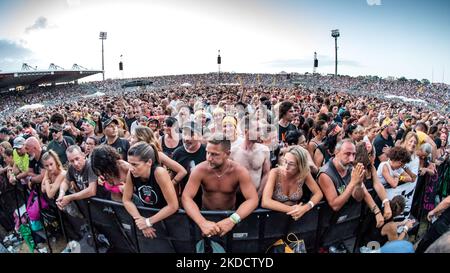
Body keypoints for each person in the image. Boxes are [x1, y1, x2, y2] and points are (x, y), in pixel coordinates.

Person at [182, 133, 258, 237]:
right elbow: (186, 197)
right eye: (208, 153)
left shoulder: (239, 171)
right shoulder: (200, 170)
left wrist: (232, 220)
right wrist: (202, 222)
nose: (209, 158)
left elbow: (252, 199)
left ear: (227, 154)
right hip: (206, 216)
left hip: (231, 215)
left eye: (214, 154)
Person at [318, 139, 384, 228]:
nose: (352, 159)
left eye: (353, 154)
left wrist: (359, 184)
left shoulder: (350, 168)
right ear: (336, 152)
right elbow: (335, 205)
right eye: (347, 154)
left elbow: (360, 196)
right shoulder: (326, 174)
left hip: (346, 220)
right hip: (326, 223)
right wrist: (353, 183)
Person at [122, 142, 179, 238]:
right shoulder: (131, 173)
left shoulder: (159, 173)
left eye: (135, 164)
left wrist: (147, 222)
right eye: (130, 164)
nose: (131, 168)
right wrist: (139, 219)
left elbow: (173, 206)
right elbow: (126, 200)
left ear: (149, 162)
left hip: (169, 219)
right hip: (149, 217)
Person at [261, 146, 323, 221]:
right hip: (274, 219)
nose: (286, 166)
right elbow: (265, 201)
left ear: (300, 166)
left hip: (294, 220)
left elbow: (318, 193)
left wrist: (306, 207)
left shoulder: (304, 173)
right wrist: (293, 210)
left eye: (291, 164)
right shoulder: (275, 173)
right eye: (285, 161)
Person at [230, 116, 270, 196]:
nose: (261, 133)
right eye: (257, 130)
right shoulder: (233, 152)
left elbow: (266, 174)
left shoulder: (264, 150)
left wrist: (259, 194)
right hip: (236, 198)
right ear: (246, 131)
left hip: (256, 196)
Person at [172, 122, 207, 201]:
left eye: (191, 135)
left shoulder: (207, 151)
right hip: (185, 199)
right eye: (184, 134)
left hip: (205, 200)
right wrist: (177, 199)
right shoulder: (177, 153)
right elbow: (174, 179)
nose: (187, 138)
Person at [56, 145, 97, 211]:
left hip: (99, 204)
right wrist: (61, 194)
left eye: (77, 159)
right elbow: (65, 181)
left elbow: (92, 190)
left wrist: (70, 198)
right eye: (71, 161)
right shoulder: (71, 167)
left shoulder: (90, 166)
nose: (75, 163)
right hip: (88, 205)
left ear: (83, 155)